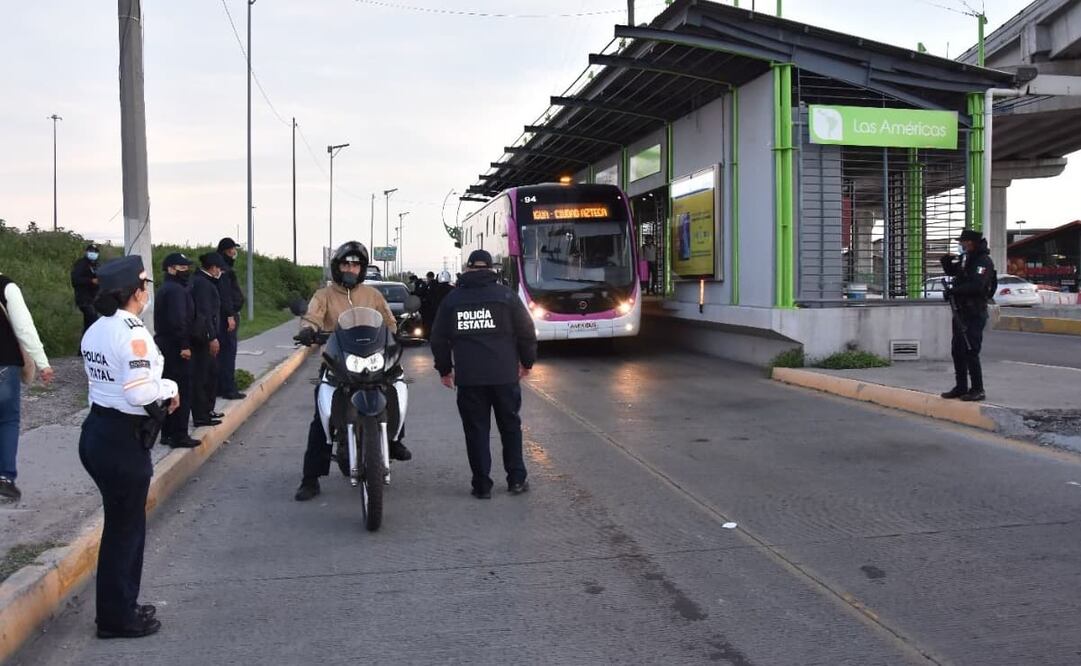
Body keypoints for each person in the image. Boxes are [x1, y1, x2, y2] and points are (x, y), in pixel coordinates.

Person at [79, 255, 178, 639]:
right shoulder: (133, 332)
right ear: (136, 292)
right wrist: (171, 388)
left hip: (98, 432)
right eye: (145, 287)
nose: (146, 293)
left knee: (121, 528)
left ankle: (122, 604)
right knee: (126, 531)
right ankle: (116, 619)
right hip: (122, 440)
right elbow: (139, 392)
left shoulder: (97, 329)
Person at [293, 241, 411, 501]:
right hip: (338, 363)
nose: (351, 268)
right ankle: (310, 479)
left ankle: (395, 438)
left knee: (395, 385)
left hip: (372, 361)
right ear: (337, 267)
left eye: (356, 264)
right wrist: (308, 330)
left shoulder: (372, 295)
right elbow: (313, 316)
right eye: (346, 263)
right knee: (320, 420)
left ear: (362, 268)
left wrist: (397, 334)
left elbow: (388, 321)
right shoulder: (324, 295)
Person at [430, 250, 537, 499]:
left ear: (467, 269)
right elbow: (526, 331)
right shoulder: (506, 297)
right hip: (504, 376)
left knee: (476, 431)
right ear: (491, 269)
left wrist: (445, 370)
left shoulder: (453, 299)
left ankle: (482, 485)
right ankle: (517, 480)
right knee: (510, 427)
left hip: (470, 379)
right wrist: (527, 362)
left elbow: (438, 338)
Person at [0, 272, 54, 502]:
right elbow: (24, 326)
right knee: (7, 420)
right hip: (4, 364)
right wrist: (42, 363)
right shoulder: (5, 286)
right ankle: (5, 479)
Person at [940, 229, 996, 402]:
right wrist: (946, 263)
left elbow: (977, 285)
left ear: (970, 242)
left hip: (974, 311)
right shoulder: (967, 258)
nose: (961, 244)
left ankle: (978, 389)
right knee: (957, 350)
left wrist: (953, 290)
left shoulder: (983, 261)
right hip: (960, 311)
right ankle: (961, 387)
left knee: (971, 350)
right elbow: (955, 273)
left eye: (963, 241)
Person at [154, 253, 200, 448]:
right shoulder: (176, 291)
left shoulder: (167, 288)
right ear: (171, 269)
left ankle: (167, 432)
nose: (185, 270)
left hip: (166, 344)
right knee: (182, 390)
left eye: (186, 267)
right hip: (176, 346)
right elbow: (178, 320)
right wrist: (184, 345)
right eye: (181, 267)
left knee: (168, 389)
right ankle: (179, 434)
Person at [190, 253, 225, 428]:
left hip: (203, 336)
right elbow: (205, 313)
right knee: (203, 377)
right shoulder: (203, 284)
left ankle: (207, 411)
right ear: (213, 268)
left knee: (210, 375)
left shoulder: (200, 281)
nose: (220, 271)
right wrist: (212, 337)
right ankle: (201, 415)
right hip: (203, 338)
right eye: (219, 268)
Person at [215, 238, 246, 401]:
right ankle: (228, 388)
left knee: (223, 352)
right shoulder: (224, 270)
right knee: (227, 352)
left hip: (225, 316)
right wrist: (229, 315)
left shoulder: (223, 268)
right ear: (227, 251)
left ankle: (221, 386)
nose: (235, 253)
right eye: (233, 249)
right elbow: (225, 296)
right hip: (226, 317)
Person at [71, 243, 102, 333]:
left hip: (94, 298)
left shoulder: (96, 264)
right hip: (83, 298)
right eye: (91, 251)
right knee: (93, 321)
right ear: (86, 252)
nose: (93, 253)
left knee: (89, 325)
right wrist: (91, 281)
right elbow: (75, 280)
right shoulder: (81, 264)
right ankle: (87, 344)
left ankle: (85, 345)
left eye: (95, 252)